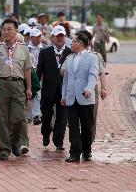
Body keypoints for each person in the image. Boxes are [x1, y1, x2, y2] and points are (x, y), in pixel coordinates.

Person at [0, 19, 33, 161]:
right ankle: (5, 149)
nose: (6, 32)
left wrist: (29, 87)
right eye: (4, 29)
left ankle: (15, 142)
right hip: (1, 84)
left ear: (15, 31)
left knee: (18, 117)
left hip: (18, 85)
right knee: (2, 118)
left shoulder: (23, 48)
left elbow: (27, 69)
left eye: (9, 29)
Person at [61, 30, 107, 143]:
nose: (72, 42)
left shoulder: (95, 56)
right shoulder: (70, 57)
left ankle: (88, 145)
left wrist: (103, 88)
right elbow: (64, 74)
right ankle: (76, 149)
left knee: (89, 122)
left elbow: (101, 73)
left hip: (90, 91)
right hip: (73, 93)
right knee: (73, 124)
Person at [61, 32, 99, 162]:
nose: (71, 43)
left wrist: (89, 88)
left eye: (73, 41)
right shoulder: (69, 59)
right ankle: (74, 153)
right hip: (71, 97)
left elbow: (93, 75)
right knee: (73, 127)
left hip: (86, 98)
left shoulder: (92, 58)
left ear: (81, 44)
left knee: (87, 127)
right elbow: (66, 80)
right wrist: (64, 95)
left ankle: (87, 150)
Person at [36, 25, 71, 150]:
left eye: (62, 36)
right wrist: (34, 88)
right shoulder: (45, 52)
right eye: (57, 36)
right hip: (48, 90)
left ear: (65, 37)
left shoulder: (70, 53)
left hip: (64, 91)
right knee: (46, 115)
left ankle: (58, 141)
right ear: (52, 38)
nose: (60, 38)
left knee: (62, 117)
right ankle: (46, 133)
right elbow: (39, 72)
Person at [27, 28, 44, 125]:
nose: (37, 39)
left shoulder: (44, 48)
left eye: (39, 37)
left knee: (38, 95)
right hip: (30, 73)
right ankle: (29, 115)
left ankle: (36, 115)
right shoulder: (26, 48)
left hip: (40, 74)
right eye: (35, 37)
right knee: (30, 94)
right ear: (31, 38)